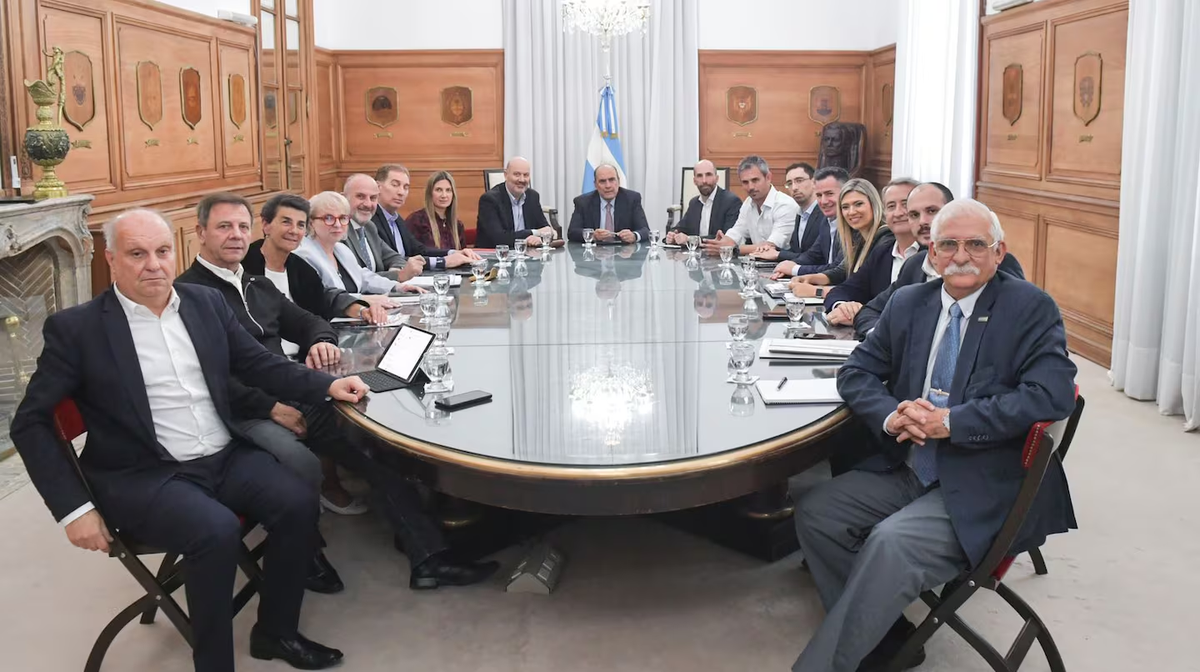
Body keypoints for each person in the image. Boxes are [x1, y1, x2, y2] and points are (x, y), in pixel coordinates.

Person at [11, 208, 367, 672]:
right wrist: (74, 510)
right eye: (137, 254)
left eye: (162, 252)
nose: (154, 265)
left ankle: (275, 633)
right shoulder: (78, 329)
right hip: (144, 474)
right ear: (111, 259)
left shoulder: (204, 303)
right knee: (215, 531)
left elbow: (258, 364)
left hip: (221, 454)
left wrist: (324, 385)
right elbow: (30, 422)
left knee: (299, 499)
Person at [791, 199, 1077, 672]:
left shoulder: (1029, 307)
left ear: (999, 252)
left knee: (891, 543)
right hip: (909, 465)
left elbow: (1052, 395)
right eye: (948, 244)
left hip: (981, 479)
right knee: (818, 512)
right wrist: (891, 416)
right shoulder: (910, 303)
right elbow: (857, 371)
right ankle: (885, 636)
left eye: (975, 244)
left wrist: (952, 421)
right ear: (933, 253)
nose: (960, 255)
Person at [177, 194, 498, 592]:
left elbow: (308, 319)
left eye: (241, 227)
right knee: (299, 463)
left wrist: (319, 341)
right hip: (244, 411)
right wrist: (270, 406)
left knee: (375, 440)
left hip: (292, 388)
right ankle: (304, 555)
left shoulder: (253, 282)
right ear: (200, 232)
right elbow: (207, 376)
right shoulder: (186, 295)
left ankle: (428, 557)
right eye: (224, 227)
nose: (236, 236)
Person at [852, 182, 1026, 337]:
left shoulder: (996, 262)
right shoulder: (915, 265)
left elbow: (1013, 325)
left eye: (932, 211)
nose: (923, 222)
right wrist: (884, 339)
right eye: (913, 215)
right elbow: (870, 312)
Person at [244, 193, 388, 325]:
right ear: (265, 225)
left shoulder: (299, 268)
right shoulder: (244, 266)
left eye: (300, 225)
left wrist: (362, 311)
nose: (294, 231)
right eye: (286, 222)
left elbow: (326, 298)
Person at [822, 178, 920, 324]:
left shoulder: (932, 257)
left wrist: (860, 316)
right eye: (891, 206)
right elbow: (844, 289)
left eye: (905, 205)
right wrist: (842, 306)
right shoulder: (883, 252)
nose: (898, 212)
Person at [296, 191, 425, 296]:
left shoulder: (340, 249)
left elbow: (364, 277)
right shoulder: (304, 255)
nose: (337, 224)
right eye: (328, 218)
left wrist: (398, 287)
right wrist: (365, 301)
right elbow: (325, 297)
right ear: (311, 222)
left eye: (342, 218)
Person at [788, 178, 891, 299]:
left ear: (874, 204)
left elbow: (860, 290)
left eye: (858, 204)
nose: (851, 212)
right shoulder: (858, 237)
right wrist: (810, 278)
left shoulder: (885, 241)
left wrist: (816, 291)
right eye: (845, 207)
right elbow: (842, 270)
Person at [370, 164, 481, 269]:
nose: (401, 192)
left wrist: (453, 252)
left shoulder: (397, 220)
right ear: (378, 187)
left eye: (406, 187)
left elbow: (419, 250)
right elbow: (394, 261)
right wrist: (443, 262)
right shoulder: (371, 221)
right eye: (395, 185)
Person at [702, 155, 798, 256]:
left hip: (783, 266)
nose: (750, 187)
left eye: (755, 180)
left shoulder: (785, 205)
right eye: (745, 182)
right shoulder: (748, 203)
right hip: (756, 266)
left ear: (768, 177)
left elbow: (769, 247)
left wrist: (733, 249)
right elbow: (737, 231)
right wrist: (722, 243)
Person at [342, 173, 425, 281]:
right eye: (360, 196)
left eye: (373, 198)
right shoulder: (338, 230)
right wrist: (398, 275)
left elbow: (395, 258)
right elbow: (354, 278)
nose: (368, 204)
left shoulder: (369, 227)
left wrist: (396, 269)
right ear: (343, 198)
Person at [771, 166, 849, 276]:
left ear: (846, 192)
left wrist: (795, 270)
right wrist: (788, 265)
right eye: (819, 195)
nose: (823, 201)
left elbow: (838, 269)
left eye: (829, 194)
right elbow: (813, 255)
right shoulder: (826, 222)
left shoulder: (853, 226)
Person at [475, 156, 554, 249]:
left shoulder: (532, 196)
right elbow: (499, 239)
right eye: (517, 174)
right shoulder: (489, 200)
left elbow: (545, 229)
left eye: (526, 175)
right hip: (496, 257)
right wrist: (534, 232)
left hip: (528, 255)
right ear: (505, 175)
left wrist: (539, 238)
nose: (522, 180)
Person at [754, 162, 824, 263]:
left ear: (814, 182)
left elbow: (816, 257)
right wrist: (770, 251)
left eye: (799, 181)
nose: (794, 188)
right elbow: (796, 252)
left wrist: (778, 254)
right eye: (789, 183)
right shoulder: (799, 214)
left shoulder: (824, 214)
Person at [566, 163, 651, 244]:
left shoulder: (632, 199)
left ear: (618, 181)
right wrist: (593, 235)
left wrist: (634, 236)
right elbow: (572, 232)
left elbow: (645, 230)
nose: (608, 185)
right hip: (594, 256)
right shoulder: (583, 202)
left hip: (624, 255)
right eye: (602, 181)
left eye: (611, 180)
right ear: (595, 185)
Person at [666, 159, 741, 243]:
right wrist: (673, 235)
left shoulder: (731, 202)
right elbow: (681, 227)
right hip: (694, 254)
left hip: (718, 254)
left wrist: (690, 240)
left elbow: (726, 237)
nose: (704, 181)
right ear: (694, 181)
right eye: (700, 176)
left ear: (716, 178)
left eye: (708, 175)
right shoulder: (694, 203)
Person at [406, 171, 467, 250]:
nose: (444, 195)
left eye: (448, 190)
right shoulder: (417, 221)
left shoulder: (457, 225)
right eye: (439, 190)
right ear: (430, 193)